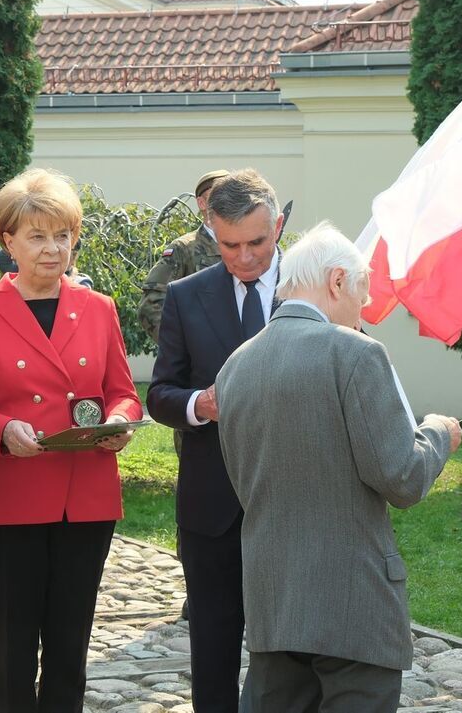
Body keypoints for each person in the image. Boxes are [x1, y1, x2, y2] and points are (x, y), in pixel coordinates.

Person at [216, 222, 461, 713]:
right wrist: (438, 433)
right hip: (353, 603)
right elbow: (403, 477)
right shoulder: (355, 353)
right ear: (336, 282)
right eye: (361, 295)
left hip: (272, 601)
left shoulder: (235, 365)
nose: (361, 312)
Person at [0, 168, 142, 712]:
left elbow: (123, 392)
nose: (53, 249)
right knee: (12, 644)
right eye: (37, 236)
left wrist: (119, 423)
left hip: (86, 496)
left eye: (63, 235)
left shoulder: (99, 308)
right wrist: (1, 430)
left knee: (71, 640)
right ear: (8, 241)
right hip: (12, 497)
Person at [147, 168, 284, 713]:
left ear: (278, 226)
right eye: (230, 245)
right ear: (210, 229)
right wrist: (198, 405)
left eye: (257, 242)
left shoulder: (318, 284)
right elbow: (160, 393)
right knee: (213, 647)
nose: (246, 257)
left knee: (293, 650)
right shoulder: (186, 295)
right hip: (212, 505)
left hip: (295, 500)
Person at [137, 168, 227, 342]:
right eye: (218, 196)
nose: (228, 202)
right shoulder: (184, 248)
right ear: (202, 203)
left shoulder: (246, 246)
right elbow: (150, 306)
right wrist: (183, 347)